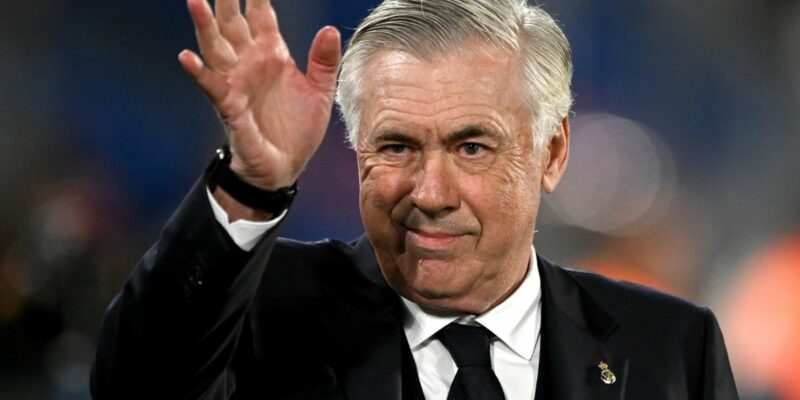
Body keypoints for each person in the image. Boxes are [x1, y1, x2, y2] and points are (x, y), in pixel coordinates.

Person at [91, 0, 738, 399]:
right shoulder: (262, 312)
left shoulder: (674, 348)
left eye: (472, 147)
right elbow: (137, 386)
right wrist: (251, 183)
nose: (430, 193)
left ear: (552, 153)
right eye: (397, 147)